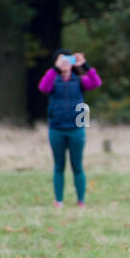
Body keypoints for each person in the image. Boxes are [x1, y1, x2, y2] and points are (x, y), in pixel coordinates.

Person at [37, 49, 102, 208]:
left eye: (68, 60)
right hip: (57, 128)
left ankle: (81, 201)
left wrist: (85, 65)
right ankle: (58, 200)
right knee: (59, 165)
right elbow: (43, 88)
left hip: (77, 127)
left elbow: (96, 82)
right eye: (61, 60)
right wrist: (55, 70)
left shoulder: (79, 81)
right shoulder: (52, 79)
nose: (65, 63)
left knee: (77, 165)